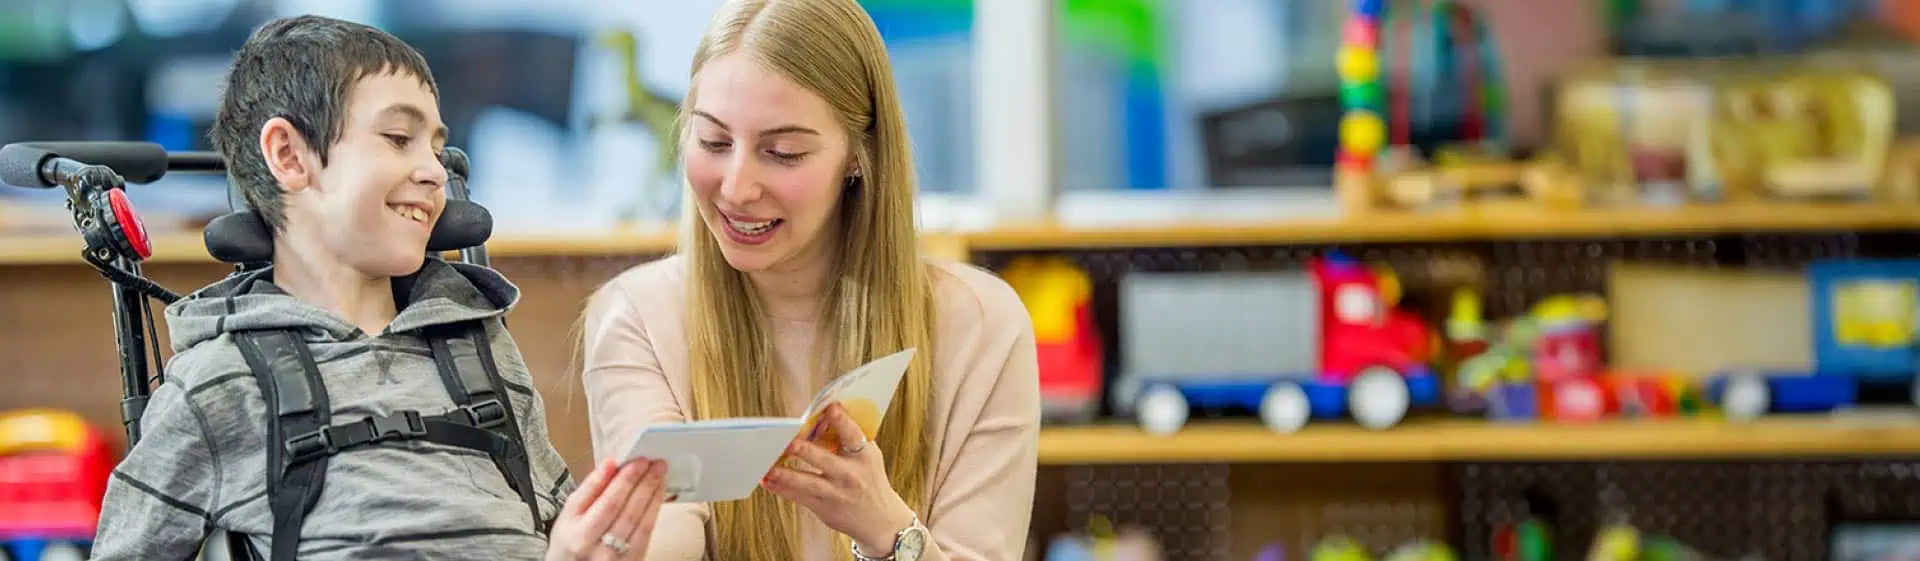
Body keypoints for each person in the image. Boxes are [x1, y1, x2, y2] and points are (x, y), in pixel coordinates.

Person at [88, 15, 667, 561]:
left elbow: (553, 524)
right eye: (398, 138)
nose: (436, 171)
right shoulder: (222, 380)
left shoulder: (478, 348)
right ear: (289, 156)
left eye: (437, 148)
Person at [578, 0, 1042, 560]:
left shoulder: (981, 325)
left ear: (858, 156)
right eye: (713, 143)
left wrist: (887, 530)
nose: (736, 187)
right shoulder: (635, 317)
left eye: (783, 153)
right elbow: (667, 524)